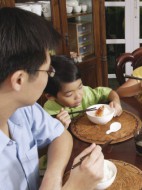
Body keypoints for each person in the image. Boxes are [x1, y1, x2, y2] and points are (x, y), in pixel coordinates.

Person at [0, 7, 104, 189]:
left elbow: (61, 135)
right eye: (48, 70)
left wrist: (52, 178)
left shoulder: (24, 108)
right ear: (19, 80)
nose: (50, 76)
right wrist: (75, 186)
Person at [43, 55, 123, 128]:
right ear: (50, 96)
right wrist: (58, 129)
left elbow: (109, 92)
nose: (79, 96)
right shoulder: (47, 114)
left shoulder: (86, 93)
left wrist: (116, 101)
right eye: (69, 94)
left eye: (80, 87)